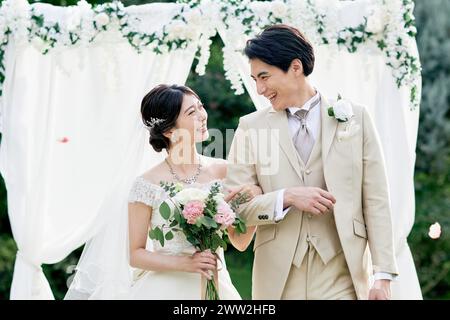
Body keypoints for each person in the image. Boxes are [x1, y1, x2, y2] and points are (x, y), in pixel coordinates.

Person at [225, 24, 398, 300]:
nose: (259, 89)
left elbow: (376, 199)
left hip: (343, 272)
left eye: (264, 77)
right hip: (278, 277)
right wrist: (286, 197)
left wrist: (383, 275)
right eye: (255, 79)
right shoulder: (250, 128)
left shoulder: (356, 118)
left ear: (295, 67)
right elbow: (235, 209)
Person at [127, 84, 257, 299]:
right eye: (191, 112)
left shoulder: (224, 171)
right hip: (164, 288)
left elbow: (240, 242)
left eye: (200, 107)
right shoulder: (145, 185)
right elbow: (136, 254)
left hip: (214, 283)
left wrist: (253, 199)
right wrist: (186, 263)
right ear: (170, 131)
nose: (202, 116)